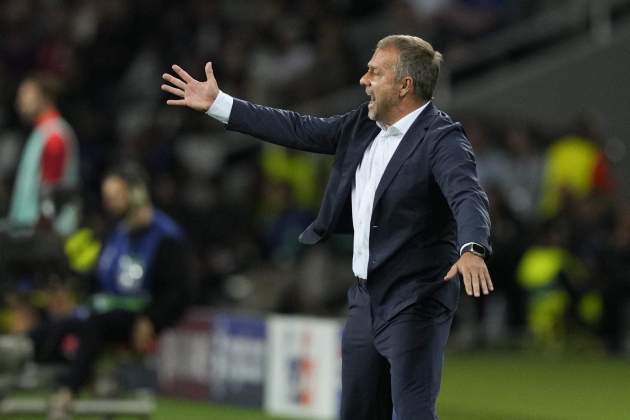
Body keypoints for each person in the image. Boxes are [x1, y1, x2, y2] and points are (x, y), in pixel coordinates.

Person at [162, 34, 493, 420]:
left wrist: (472, 247)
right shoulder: (364, 125)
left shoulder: (442, 139)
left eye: (374, 72)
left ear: (404, 85)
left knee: (413, 413)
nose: (363, 80)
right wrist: (220, 104)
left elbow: (467, 195)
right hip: (365, 301)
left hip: (415, 300)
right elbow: (300, 129)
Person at [43, 163, 191, 420]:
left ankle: (67, 392)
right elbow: (100, 277)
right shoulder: (117, 231)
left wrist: (152, 320)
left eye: (115, 196)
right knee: (53, 328)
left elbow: (182, 290)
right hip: (104, 312)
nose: (109, 203)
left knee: (93, 326)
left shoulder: (166, 236)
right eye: (107, 197)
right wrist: (73, 296)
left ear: (137, 193)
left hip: (135, 319)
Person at [8, 73, 80, 236]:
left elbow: (50, 192)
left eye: (25, 94)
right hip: (30, 232)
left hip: (43, 238)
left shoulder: (53, 135)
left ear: (45, 98)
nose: (19, 101)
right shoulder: (41, 132)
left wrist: (43, 232)